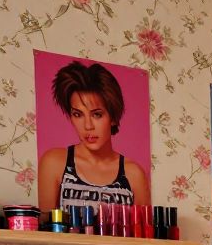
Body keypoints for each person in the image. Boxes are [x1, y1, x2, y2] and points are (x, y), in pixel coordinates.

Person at [38, 60, 151, 216]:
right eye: (78, 114)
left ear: (113, 117)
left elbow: (143, 232)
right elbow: (46, 229)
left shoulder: (134, 174)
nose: (88, 126)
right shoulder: (54, 163)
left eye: (97, 114)